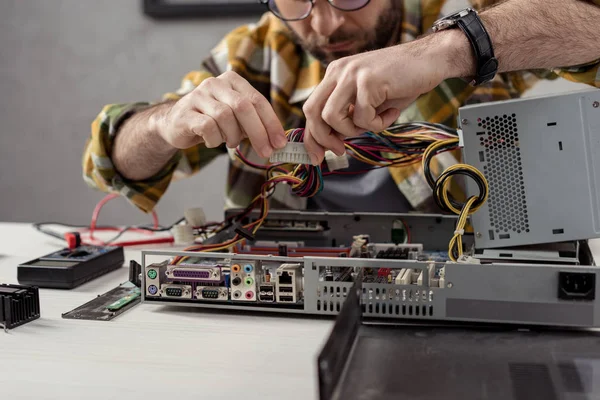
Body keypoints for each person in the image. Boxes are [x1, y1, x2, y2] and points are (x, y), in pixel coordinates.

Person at [82, 0, 600, 216]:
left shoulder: (460, 17)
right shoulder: (263, 50)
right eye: (296, 3)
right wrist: (165, 123)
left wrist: (453, 49)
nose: (325, 25)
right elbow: (114, 165)